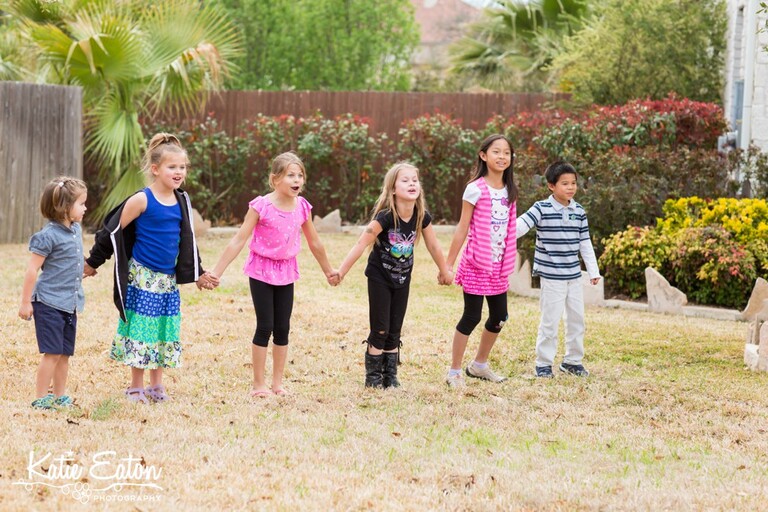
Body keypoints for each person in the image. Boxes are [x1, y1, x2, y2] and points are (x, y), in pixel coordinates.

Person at [84, 133, 218, 404]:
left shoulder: (182, 201)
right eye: (172, 167)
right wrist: (91, 263)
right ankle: (136, 387)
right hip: (143, 277)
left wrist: (197, 274)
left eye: (182, 167)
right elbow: (111, 231)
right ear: (155, 169)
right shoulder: (142, 200)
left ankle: (156, 387)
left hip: (167, 281)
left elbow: (188, 240)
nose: (179, 172)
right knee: (142, 330)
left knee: (163, 330)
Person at [209, 152, 338, 398]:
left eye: (300, 175)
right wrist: (217, 271)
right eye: (291, 175)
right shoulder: (262, 206)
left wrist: (328, 270)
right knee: (265, 325)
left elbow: (315, 242)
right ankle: (259, 384)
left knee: (283, 327)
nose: (297, 179)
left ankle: (277, 384)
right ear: (275, 179)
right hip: (261, 270)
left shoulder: (302, 206)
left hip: (286, 271)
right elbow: (239, 239)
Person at [337, 162, 452, 388]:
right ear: (392, 189)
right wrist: (341, 272)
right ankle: (373, 378)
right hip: (380, 277)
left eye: (415, 180)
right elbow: (361, 244)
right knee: (380, 328)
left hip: (402, 278)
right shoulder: (385, 217)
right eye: (405, 180)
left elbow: (434, 246)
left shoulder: (421, 216)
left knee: (395, 329)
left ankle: (390, 376)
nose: (412, 183)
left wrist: (444, 270)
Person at [444, 134, 518, 388]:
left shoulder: (510, 190)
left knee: (500, 315)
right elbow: (462, 227)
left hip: (498, 266)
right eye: (496, 152)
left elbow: (509, 227)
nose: (502, 157)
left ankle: (479, 365)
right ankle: (454, 371)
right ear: (483, 155)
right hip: (477, 263)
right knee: (471, 316)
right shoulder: (475, 188)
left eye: (506, 153)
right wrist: (448, 264)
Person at [516, 160, 600, 378]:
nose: (571, 187)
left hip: (573, 277)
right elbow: (522, 225)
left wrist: (593, 271)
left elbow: (585, 243)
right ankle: (543, 364)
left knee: (576, 319)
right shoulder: (541, 208)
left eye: (573, 183)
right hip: (552, 277)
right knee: (550, 321)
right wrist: (500, 233)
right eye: (565, 183)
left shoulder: (579, 211)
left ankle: (572, 361)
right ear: (551, 186)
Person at [19, 177, 88, 409]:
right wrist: (25, 302)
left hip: (70, 303)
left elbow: (72, 260)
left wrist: (84, 269)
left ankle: (60, 396)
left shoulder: (76, 230)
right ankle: (40, 397)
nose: (85, 208)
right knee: (52, 352)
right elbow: (32, 270)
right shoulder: (48, 235)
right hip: (48, 303)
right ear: (65, 208)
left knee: (65, 353)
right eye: (81, 204)